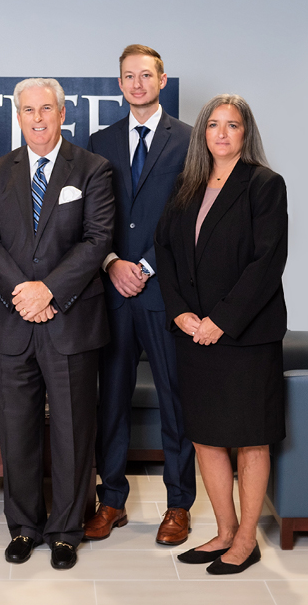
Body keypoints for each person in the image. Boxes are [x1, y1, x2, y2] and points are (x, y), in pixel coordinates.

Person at [0, 77, 114, 570]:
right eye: (28, 110)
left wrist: (48, 290)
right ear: (18, 115)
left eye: (46, 109)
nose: (37, 118)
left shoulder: (92, 168)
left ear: (62, 113)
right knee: (17, 430)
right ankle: (24, 527)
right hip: (13, 321)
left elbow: (97, 240)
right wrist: (22, 293)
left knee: (74, 430)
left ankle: (67, 531)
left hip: (70, 319)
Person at [155, 94, 287, 574]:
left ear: (245, 132)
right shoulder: (187, 186)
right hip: (193, 333)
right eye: (214, 125)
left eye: (233, 125)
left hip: (245, 336)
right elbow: (163, 251)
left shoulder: (265, 185)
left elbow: (266, 263)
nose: (222, 134)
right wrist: (182, 314)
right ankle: (225, 530)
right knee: (207, 438)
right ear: (202, 134)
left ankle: (247, 540)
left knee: (250, 439)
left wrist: (220, 320)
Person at [85, 45, 196, 545]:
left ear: (162, 79)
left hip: (163, 292)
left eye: (145, 75)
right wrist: (111, 263)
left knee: (176, 399)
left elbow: (189, 214)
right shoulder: (100, 140)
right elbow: (91, 216)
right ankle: (111, 501)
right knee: (109, 400)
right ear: (120, 82)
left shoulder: (190, 140)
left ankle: (178, 505)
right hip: (111, 292)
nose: (137, 83)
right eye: (128, 76)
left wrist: (146, 264)